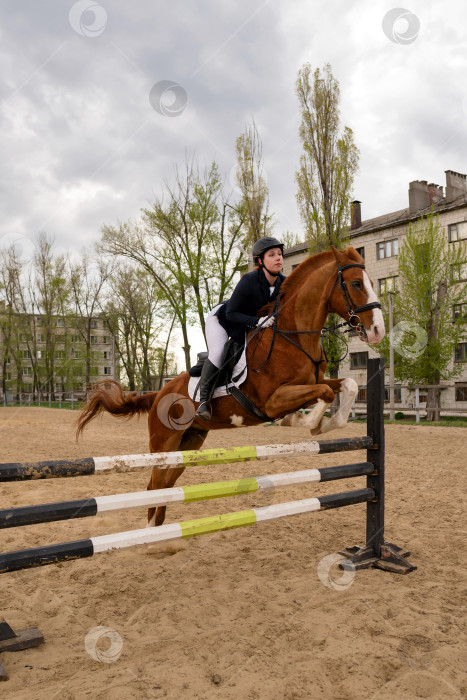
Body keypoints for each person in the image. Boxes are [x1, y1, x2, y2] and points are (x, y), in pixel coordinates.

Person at [195, 236, 285, 421]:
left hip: (248, 325)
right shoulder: (249, 280)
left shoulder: (283, 283)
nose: (278, 258)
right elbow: (231, 314)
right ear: (260, 261)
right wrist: (258, 321)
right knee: (219, 352)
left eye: (280, 254)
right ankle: (204, 402)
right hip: (222, 321)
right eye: (272, 254)